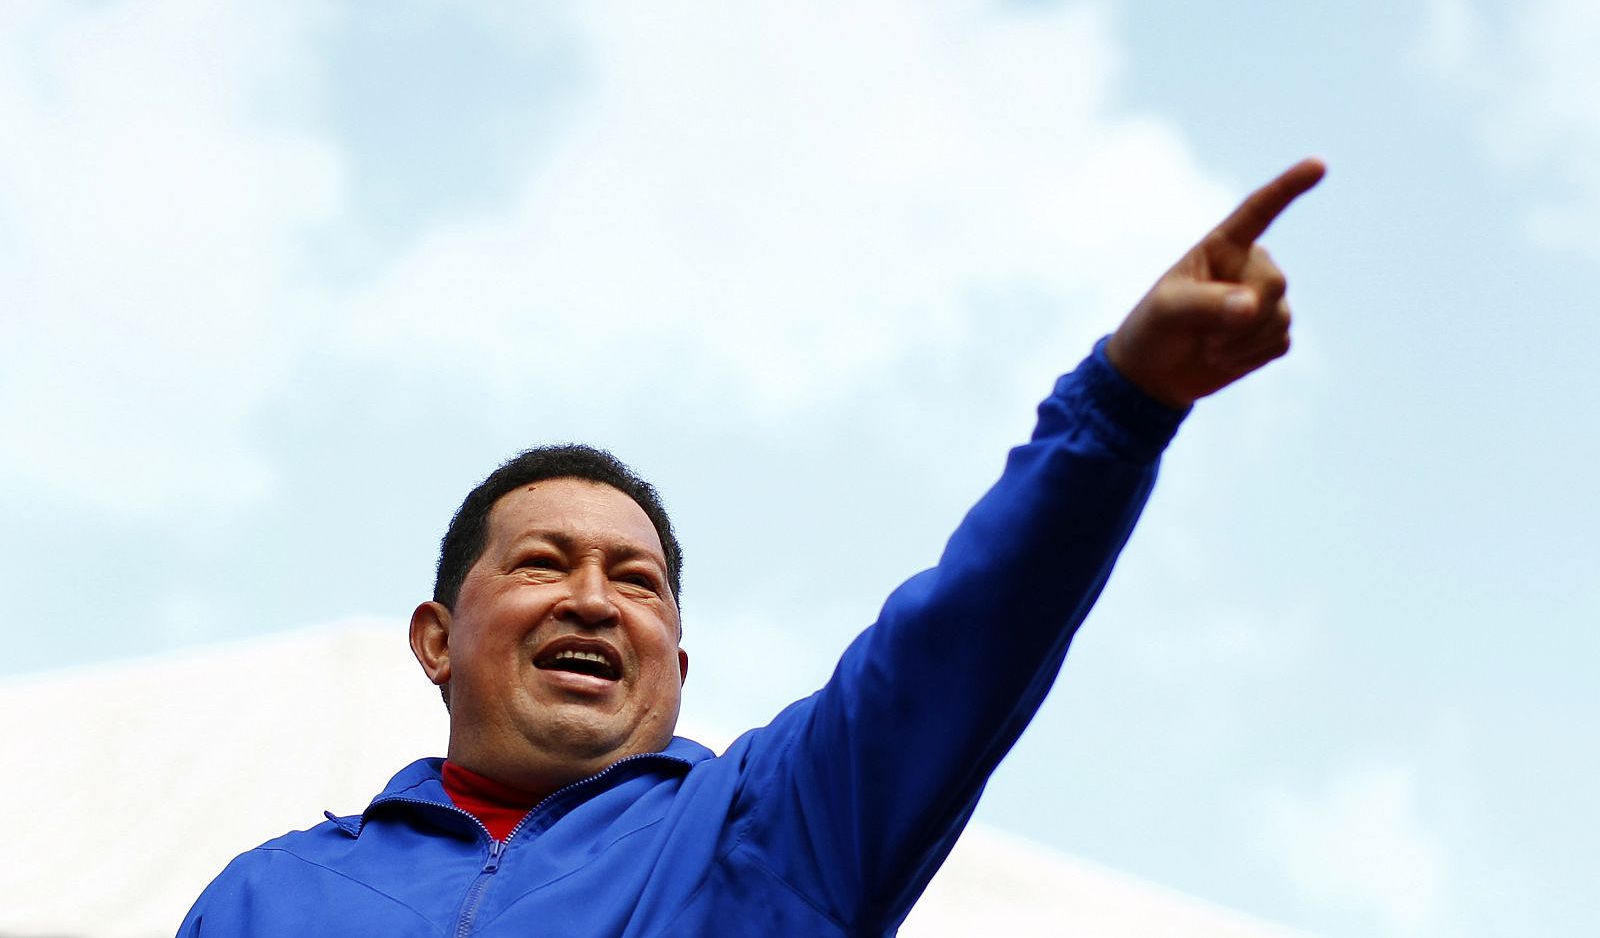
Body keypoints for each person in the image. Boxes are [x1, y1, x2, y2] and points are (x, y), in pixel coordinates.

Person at [178, 159, 1325, 936]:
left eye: (637, 582)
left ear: (677, 667)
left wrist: (1120, 407)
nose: (593, 599)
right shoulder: (267, 895)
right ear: (436, 637)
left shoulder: (765, 828)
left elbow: (954, 646)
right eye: (542, 562)